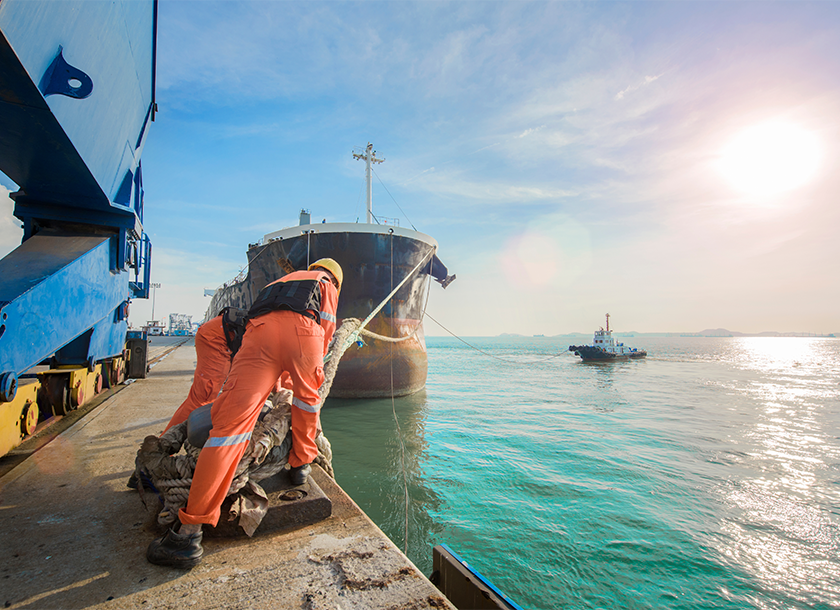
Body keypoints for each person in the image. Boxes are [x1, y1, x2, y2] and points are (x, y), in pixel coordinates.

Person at [146, 258, 342, 569]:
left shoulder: (279, 282)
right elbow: (325, 328)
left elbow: (260, 321)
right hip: (305, 334)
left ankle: (187, 535)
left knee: (228, 432)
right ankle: (301, 464)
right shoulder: (325, 283)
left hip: (259, 336)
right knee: (305, 404)